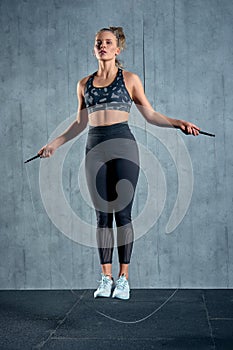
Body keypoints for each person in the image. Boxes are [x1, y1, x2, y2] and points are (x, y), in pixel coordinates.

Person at [38, 26, 200, 300]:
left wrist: (178, 124)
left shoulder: (130, 79)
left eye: (108, 42)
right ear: (94, 48)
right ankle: (106, 278)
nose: (102, 45)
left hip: (123, 145)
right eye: (98, 42)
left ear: (117, 48)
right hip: (95, 148)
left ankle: (124, 279)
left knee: (123, 216)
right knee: (102, 217)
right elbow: (79, 123)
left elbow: (150, 115)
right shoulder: (83, 84)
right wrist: (54, 143)